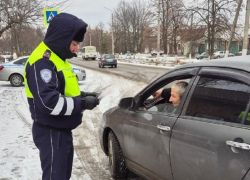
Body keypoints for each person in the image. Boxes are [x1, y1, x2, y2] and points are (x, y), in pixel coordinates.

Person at [24, 13, 99, 180]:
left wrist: (84, 95)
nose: (76, 49)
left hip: (60, 131)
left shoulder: (58, 59)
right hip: (51, 132)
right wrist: (82, 103)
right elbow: (49, 103)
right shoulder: (42, 61)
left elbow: (62, 91)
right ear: (61, 38)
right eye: (74, 44)